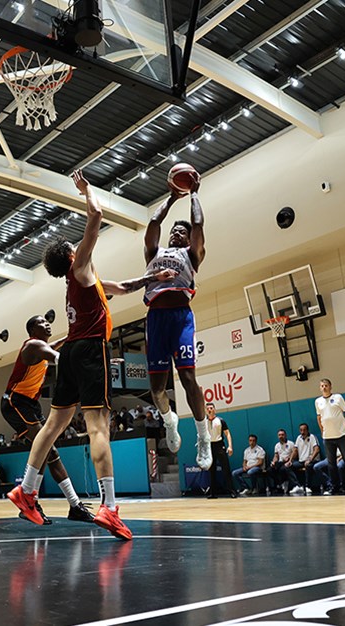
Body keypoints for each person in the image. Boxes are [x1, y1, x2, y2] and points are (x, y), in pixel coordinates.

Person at [8, 169, 177, 541]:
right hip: (87, 349)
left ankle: (27, 489)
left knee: (53, 425)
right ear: (71, 255)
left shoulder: (86, 282)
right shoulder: (79, 266)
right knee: (99, 427)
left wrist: (154, 278)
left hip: (69, 352)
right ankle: (110, 507)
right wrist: (87, 191)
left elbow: (122, 286)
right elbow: (96, 218)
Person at [142, 172, 212, 471]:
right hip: (156, 317)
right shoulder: (154, 252)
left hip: (180, 317)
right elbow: (153, 225)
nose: (175, 233)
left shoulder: (190, 254)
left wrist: (194, 193)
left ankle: (202, 435)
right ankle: (170, 420)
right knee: (157, 387)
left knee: (187, 379)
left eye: (179, 232)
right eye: (174, 231)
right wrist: (171, 197)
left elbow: (197, 225)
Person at [0, 314, 93, 522]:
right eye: (42, 322)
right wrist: (92, 365)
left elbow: (59, 345)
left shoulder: (42, 346)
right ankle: (37, 500)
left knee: (49, 452)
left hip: (30, 403)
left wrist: (74, 335)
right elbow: (58, 357)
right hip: (15, 402)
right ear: (32, 330)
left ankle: (71, 506)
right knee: (46, 449)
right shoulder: (33, 346)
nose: (47, 324)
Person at [315, 379, 345, 494]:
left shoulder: (338, 397)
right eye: (322, 386)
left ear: (330, 387)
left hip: (341, 435)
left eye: (326, 385)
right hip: (328, 438)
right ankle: (334, 487)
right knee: (331, 464)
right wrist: (322, 430)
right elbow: (319, 417)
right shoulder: (318, 401)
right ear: (320, 388)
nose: (324, 387)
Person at [205, 402, 235, 498]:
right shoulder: (204, 422)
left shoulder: (220, 420)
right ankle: (213, 493)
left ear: (214, 409)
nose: (209, 410)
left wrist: (230, 446)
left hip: (219, 445)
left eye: (211, 408)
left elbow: (228, 434)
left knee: (226, 469)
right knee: (211, 471)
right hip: (210, 446)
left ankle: (232, 491)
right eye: (208, 408)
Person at [290, 423, 321, 494]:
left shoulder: (312, 437)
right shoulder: (298, 438)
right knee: (288, 466)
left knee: (308, 465)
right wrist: (290, 460)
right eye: (301, 430)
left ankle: (308, 486)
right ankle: (297, 486)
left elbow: (317, 449)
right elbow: (295, 450)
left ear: (307, 430)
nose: (302, 432)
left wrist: (310, 459)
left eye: (304, 430)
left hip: (312, 460)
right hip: (301, 461)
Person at [269, 428, 298, 494]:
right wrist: (273, 462)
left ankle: (284, 483)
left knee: (283, 469)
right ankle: (280, 483)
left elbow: (295, 453)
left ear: (285, 435)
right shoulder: (277, 445)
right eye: (279, 435)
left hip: (289, 461)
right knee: (270, 469)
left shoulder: (291, 443)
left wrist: (289, 458)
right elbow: (276, 456)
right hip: (280, 462)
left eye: (282, 435)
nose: (281, 436)